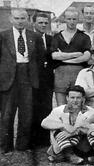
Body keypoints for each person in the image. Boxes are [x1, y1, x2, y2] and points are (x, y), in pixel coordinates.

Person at [0, 8, 45, 153]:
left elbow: (40, 58)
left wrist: (33, 75)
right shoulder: (3, 36)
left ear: (27, 19)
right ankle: (5, 146)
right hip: (9, 79)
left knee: (27, 113)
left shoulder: (35, 37)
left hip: (28, 76)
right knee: (7, 114)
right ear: (11, 19)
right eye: (17, 18)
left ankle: (22, 145)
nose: (20, 21)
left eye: (23, 18)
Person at [41, 85, 94, 164]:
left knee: (88, 133)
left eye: (78, 98)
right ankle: (69, 155)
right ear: (67, 98)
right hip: (65, 142)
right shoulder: (59, 110)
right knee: (57, 131)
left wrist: (74, 132)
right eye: (72, 97)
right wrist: (64, 125)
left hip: (81, 143)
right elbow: (44, 123)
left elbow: (93, 129)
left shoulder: (90, 111)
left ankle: (62, 155)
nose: (75, 100)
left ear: (83, 99)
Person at [51, 7, 91, 106]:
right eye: (69, 19)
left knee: (78, 104)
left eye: (74, 19)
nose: (72, 22)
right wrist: (75, 54)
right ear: (65, 19)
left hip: (79, 73)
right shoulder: (57, 37)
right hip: (61, 74)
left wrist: (64, 58)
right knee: (61, 106)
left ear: (78, 20)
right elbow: (54, 56)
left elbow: (86, 56)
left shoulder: (84, 37)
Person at [31, 12, 55, 148]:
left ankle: (44, 139)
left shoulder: (51, 39)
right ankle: (33, 140)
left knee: (46, 108)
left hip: (47, 79)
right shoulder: (29, 37)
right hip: (33, 79)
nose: (43, 25)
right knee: (33, 108)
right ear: (34, 22)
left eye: (46, 22)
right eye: (40, 22)